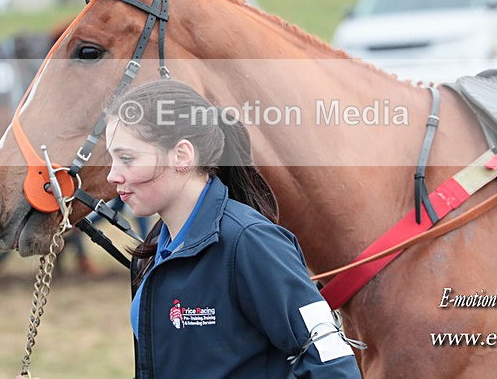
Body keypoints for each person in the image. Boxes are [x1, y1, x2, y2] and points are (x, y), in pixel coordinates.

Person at [105, 79, 363, 378]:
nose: (112, 175)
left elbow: (332, 363)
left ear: (182, 156)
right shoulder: (150, 254)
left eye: (126, 158)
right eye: (111, 159)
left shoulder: (251, 241)